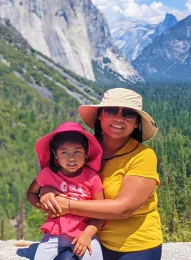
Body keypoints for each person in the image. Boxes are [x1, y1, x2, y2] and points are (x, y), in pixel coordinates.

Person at [39, 88, 162, 260]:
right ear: (100, 115)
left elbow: (124, 208)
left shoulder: (143, 156)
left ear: (136, 123)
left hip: (135, 246)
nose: (118, 118)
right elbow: (57, 175)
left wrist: (67, 205)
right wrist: (47, 191)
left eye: (128, 113)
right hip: (88, 237)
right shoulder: (82, 150)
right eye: (111, 111)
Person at [27, 122, 105, 260]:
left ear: (86, 153)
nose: (71, 158)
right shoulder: (47, 174)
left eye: (77, 151)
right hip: (54, 234)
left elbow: (101, 212)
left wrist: (88, 234)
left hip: (84, 233)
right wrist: (45, 207)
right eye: (64, 152)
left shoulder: (92, 178)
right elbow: (31, 193)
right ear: (55, 154)